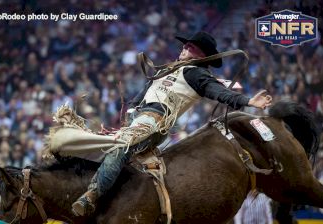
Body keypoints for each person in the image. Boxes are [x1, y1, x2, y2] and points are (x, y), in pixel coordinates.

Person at [72, 31, 273, 216]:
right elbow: (141, 95)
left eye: (191, 47)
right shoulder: (166, 70)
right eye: (185, 45)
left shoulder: (198, 74)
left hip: (156, 120)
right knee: (101, 146)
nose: (185, 48)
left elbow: (219, 92)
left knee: (119, 149)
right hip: (139, 119)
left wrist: (248, 102)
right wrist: (131, 112)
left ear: (202, 56)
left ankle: (91, 195)